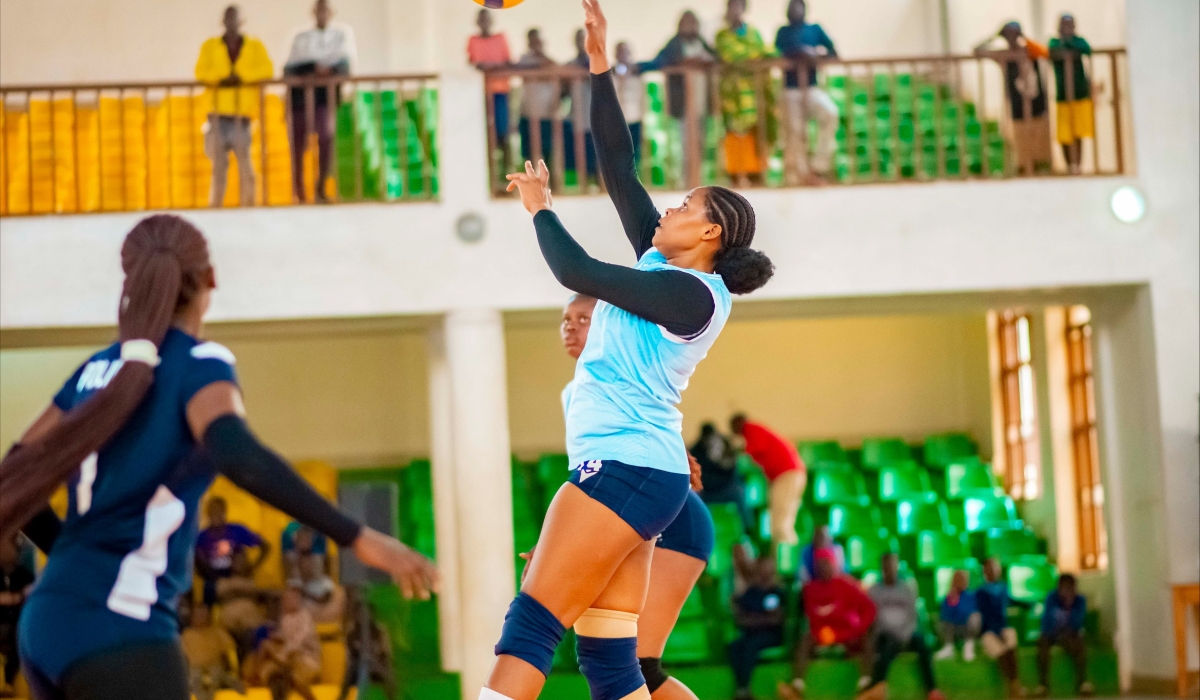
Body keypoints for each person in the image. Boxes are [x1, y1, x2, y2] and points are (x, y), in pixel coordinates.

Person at [0, 214, 437, 700]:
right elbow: (237, 454)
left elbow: (11, 478)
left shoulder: (94, 370)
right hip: (121, 625)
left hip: (45, 627)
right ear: (210, 279)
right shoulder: (199, 363)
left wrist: (70, 562)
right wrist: (359, 537)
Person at [488, 1, 773, 698]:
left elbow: (576, 272)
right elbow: (618, 164)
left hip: (624, 468)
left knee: (532, 625)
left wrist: (541, 209)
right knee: (613, 665)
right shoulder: (665, 264)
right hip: (639, 472)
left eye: (686, 206)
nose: (670, 207)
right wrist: (597, 65)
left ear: (709, 235)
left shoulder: (692, 296)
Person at [555, 291, 715, 700]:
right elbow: (590, 478)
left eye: (584, 319)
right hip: (629, 517)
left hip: (672, 521)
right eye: (566, 320)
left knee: (639, 666)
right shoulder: (575, 392)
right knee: (614, 663)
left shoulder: (627, 375)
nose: (571, 327)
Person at [195, 5, 274, 207]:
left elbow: (267, 70)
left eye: (235, 18)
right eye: (228, 18)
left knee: (246, 167)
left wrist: (241, 77)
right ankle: (216, 208)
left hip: (242, 116)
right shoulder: (210, 46)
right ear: (223, 21)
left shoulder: (254, 46)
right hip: (217, 115)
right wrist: (222, 79)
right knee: (218, 169)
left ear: (242, 21)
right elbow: (200, 72)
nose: (232, 23)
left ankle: (249, 207)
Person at [284, 0, 357, 203]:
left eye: (326, 10)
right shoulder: (301, 38)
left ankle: (321, 188)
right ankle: (299, 192)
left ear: (332, 13)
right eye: (319, 10)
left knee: (326, 138)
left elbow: (344, 67)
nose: (322, 14)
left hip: (325, 98)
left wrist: (325, 72)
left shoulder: (341, 35)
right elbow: (289, 69)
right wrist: (311, 71)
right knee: (297, 145)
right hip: (300, 98)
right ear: (313, 12)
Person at [784, 547, 876, 699]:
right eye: (819, 564)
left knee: (866, 640)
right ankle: (797, 685)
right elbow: (812, 615)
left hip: (847, 632)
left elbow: (869, 608)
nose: (823, 568)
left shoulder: (847, 585)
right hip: (821, 634)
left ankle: (866, 685)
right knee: (804, 641)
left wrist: (858, 629)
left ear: (833, 564)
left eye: (826, 563)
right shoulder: (809, 589)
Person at [641, 11, 715, 186]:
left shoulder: (701, 43)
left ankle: (699, 179)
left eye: (693, 23)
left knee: (700, 142)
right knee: (683, 144)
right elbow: (660, 60)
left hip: (701, 103)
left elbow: (716, 57)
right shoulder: (674, 44)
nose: (691, 27)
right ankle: (685, 180)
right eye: (687, 23)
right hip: (683, 103)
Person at [774, 0, 839, 184]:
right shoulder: (783, 32)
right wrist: (798, 52)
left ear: (804, 10)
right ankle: (799, 174)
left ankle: (819, 167)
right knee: (794, 132)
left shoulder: (815, 29)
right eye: (792, 7)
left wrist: (815, 54)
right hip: (790, 89)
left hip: (812, 87)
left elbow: (833, 52)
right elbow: (776, 53)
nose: (795, 10)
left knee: (830, 113)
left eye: (798, 7)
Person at [975, 22, 1051, 175]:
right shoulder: (1003, 55)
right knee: (1022, 143)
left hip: (1037, 103)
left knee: (1040, 145)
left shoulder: (1030, 50)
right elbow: (977, 51)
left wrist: (1025, 38)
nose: (1012, 37)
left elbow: (1045, 52)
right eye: (1008, 34)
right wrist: (994, 36)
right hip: (1017, 104)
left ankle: (1042, 169)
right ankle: (1024, 170)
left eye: (1015, 33)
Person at [864, 553, 942, 700]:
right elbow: (875, 619)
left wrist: (904, 635)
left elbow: (913, 616)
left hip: (906, 634)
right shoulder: (874, 591)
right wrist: (892, 633)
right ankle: (876, 689)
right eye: (887, 566)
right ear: (882, 568)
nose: (890, 569)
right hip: (885, 634)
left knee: (923, 645)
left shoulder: (907, 589)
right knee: (886, 649)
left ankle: (932, 690)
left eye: (893, 565)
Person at [730, 414, 807, 549]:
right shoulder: (756, 430)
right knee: (782, 521)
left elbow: (753, 449)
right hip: (792, 475)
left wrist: (734, 451)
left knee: (781, 523)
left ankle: (785, 556)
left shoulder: (751, 429)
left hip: (787, 474)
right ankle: (785, 554)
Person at [715, 0, 770, 188]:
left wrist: (752, 56)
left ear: (744, 9)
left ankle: (756, 174)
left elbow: (763, 51)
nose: (735, 10)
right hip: (733, 94)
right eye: (732, 6)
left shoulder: (753, 32)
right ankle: (738, 175)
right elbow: (731, 55)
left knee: (755, 132)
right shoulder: (722, 36)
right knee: (735, 133)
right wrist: (752, 57)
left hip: (754, 91)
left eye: (739, 6)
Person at [728, 552, 786, 700]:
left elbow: (777, 619)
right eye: (762, 567)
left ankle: (744, 688)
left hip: (772, 635)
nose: (765, 570)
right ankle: (741, 688)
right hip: (750, 635)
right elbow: (741, 618)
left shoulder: (779, 592)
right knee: (734, 647)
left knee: (751, 646)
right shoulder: (750, 593)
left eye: (768, 567)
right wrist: (760, 619)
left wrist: (755, 620)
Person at [195, 495, 271, 605]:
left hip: (238, 577)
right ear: (208, 514)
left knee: (242, 592)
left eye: (219, 511)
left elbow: (265, 546)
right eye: (213, 511)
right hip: (214, 583)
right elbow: (198, 566)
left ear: (225, 512)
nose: (216, 515)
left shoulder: (237, 531)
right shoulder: (202, 537)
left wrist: (253, 566)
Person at [1049, 14, 1093, 174]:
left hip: (1080, 94)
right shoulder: (1054, 42)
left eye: (1070, 25)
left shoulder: (1079, 41)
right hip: (1063, 95)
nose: (1067, 28)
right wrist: (1068, 46)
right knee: (1064, 134)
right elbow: (1053, 52)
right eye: (1064, 25)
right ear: (1059, 27)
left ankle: (1077, 165)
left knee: (1079, 132)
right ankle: (1069, 165)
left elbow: (1087, 49)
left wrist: (1069, 42)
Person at [1035, 574, 1093, 697]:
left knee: (1080, 644)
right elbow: (1046, 621)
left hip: (1070, 634)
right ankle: (1043, 684)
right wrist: (1055, 633)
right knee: (1042, 643)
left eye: (1069, 588)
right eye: (1063, 588)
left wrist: (1069, 604)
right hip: (1052, 634)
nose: (1066, 591)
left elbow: (1078, 623)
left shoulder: (1079, 600)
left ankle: (1082, 682)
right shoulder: (1051, 598)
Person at [468, 9, 514, 159]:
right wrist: (494, 66)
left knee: (503, 131)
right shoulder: (473, 40)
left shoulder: (501, 38)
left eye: (487, 19)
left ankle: (507, 168)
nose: (485, 22)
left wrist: (489, 67)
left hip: (501, 91)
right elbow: (475, 64)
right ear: (477, 22)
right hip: (480, 92)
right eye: (482, 19)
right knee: (484, 132)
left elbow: (507, 63)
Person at [515, 29, 561, 175]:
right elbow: (521, 70)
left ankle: (551, 183)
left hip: (546, 113)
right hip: (527, 113)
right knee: (528, 154)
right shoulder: (524, 60)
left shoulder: (550, 61)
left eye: (538, 41)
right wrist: (541, 69)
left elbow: (555, 69)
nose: (536, 44)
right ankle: (530, 183)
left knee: (548, 153)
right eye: (533, 41)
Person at [976, 558, 1024, 697]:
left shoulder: (1004, 588)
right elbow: (984, 617)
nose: (992, 570)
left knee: (1010, 638)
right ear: (984, 571)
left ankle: (1014, 683)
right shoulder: (980, 592)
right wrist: (996, 632)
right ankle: (1012, 684)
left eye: (995, 567)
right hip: (987, 632)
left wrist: (1031, 604)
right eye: (989, 568)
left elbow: (1013, 601)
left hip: (1003, 629)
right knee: (1001, 649)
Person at [690, 423, 751, 531]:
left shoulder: (726, 446)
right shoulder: (696, 452)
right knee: (695, 497)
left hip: (726, 489)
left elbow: (733, 471)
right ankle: (702, 530)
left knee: (740, 491)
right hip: (707, 492)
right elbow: (699, 478)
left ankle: (748, 530)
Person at [338, 588, 396, 700]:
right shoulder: (351, 632)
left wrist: (377, 661)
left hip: (377, 663)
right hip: (358, 665)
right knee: (349, 673)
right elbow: (349, 654)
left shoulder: (379, 630)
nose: (363, 616)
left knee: (389, 674)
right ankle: (342, 697)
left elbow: (386, 652)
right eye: (359, 613)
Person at [216, 549, 270, 660]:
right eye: (236, 560)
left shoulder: (255, 580)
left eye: (242, 560)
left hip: (251, 628)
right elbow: (221, 591)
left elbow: (263, 591)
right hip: (228, 628)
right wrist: (244, 589)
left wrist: (239, 589)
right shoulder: (223, 581)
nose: (239, 563)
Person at [181, 604, 244, 700]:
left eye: (203, 614)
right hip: (195, 670)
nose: (201, 618)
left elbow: (231, 650)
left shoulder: (217, 632)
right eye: (198, 615)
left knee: (218, 675)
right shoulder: (187, 634)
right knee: (196, 678)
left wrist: (234, 671)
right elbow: (181, 657)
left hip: (216, 668)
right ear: (192, 617)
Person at [0, 534, 34, 695]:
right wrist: (17, 597)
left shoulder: (24, 575)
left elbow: (32, 596)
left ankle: (10, 681)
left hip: (17, 628)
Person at [567, 29, 597, 185]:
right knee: (580, 152)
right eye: (578, 39)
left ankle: (598, 183)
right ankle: (583, 183)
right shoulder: (571, 65)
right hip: (577, 115)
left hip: (595, 115)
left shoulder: (598, 62)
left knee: (597, 153)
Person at [935, 569, 981, 661]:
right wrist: (953, 601)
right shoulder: (948, 597)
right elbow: (945, 615)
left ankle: (968, 646)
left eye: (964, 579)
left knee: (975, 617)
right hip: (952, 629)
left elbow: (968, 612)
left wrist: (959, 615)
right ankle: (948, 648)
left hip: (966, 629)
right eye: (959, 579)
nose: (962, 581)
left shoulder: (971, 596)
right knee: (939, 621)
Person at [613, 42, 645, 165]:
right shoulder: (610, 73)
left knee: (635, 153)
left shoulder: (638, 72)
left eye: (625, 52)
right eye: (620, 52)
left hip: (635, 117)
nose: (623, 55)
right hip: (617, 119)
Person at [292, 551, 345, 624]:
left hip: (324, 619)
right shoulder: (294, 584)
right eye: (303, 565)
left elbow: (324, 598)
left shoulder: (325, 582)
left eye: (309, 564)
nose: (307, 567)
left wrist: (307, 594)